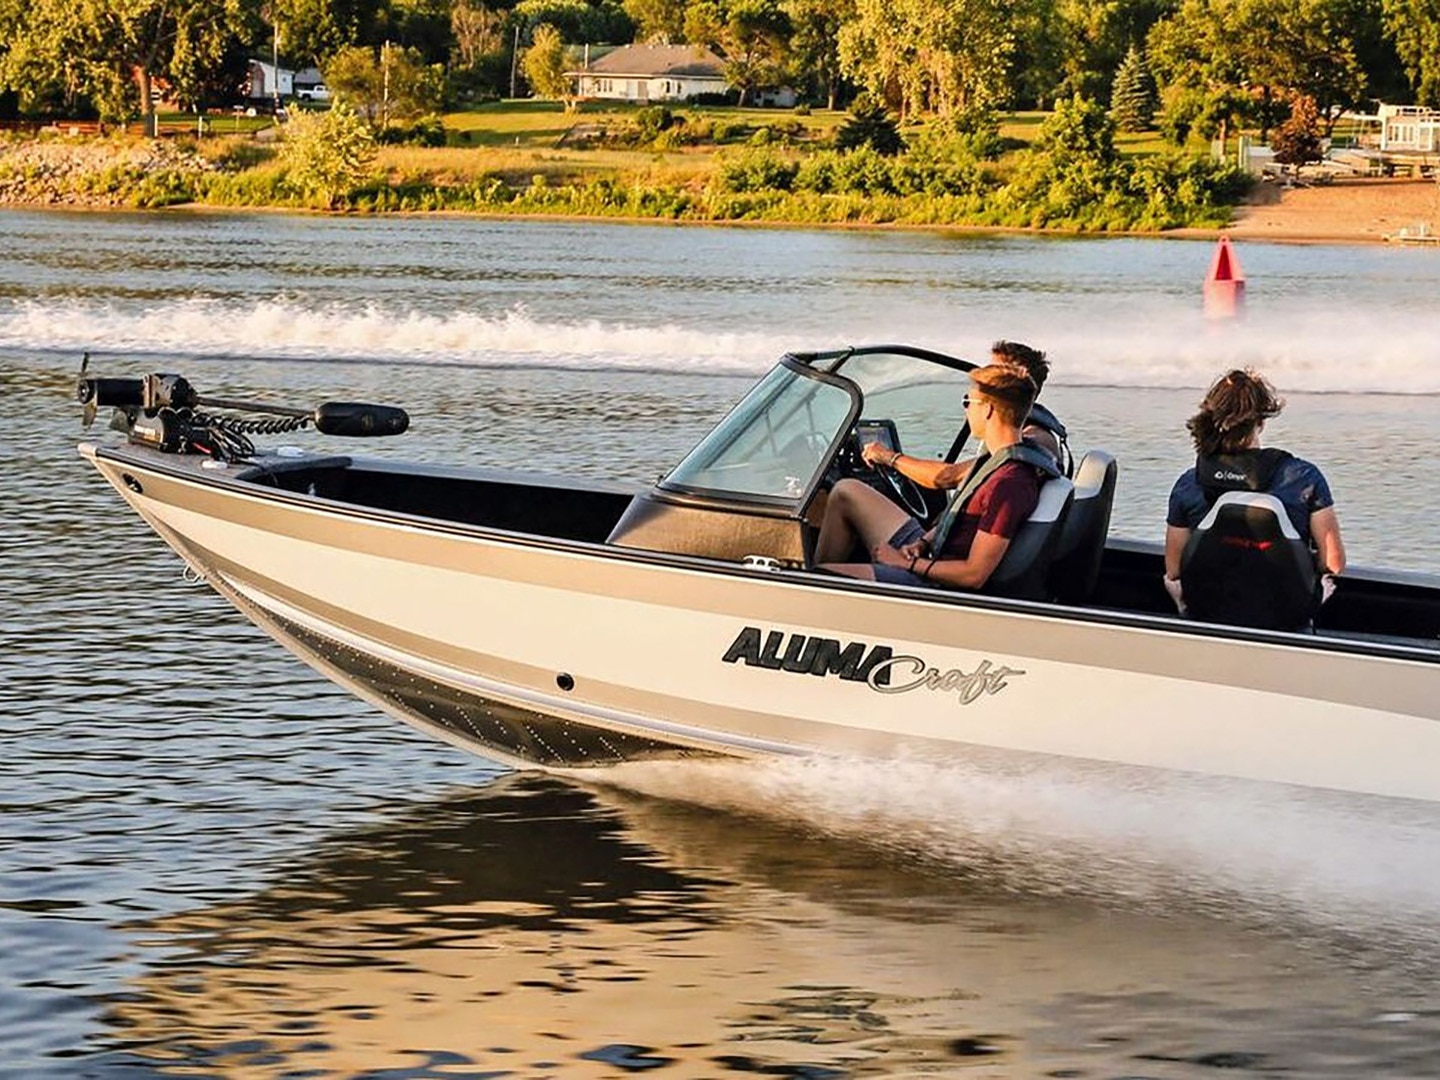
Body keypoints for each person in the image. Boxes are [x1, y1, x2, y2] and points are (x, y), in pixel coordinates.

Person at [815, 363, 1050, 589]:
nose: (966, 409)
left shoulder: (1009, 483)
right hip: (934, 551)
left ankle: (813, 586)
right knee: (847, 491)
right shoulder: (999, 460)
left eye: (969, 401)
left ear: (988, 410)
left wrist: (906, 563)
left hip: (937, 583)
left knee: (821, 578)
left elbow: (974, 575)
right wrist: (922, 543)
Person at [1163, 368, 1345, 615]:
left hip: (1209, 616)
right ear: (1260, 421)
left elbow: (1174, 571)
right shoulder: (1303, 478)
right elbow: (1333, 563)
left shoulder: (1189, 483)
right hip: (1285, 618)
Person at [860, 340, 1069, 484]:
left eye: (992, 374)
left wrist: (889, 457)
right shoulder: (1014, 435)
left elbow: (948, 477)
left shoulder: (1031, 444)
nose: (982, 378)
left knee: (847, 493)